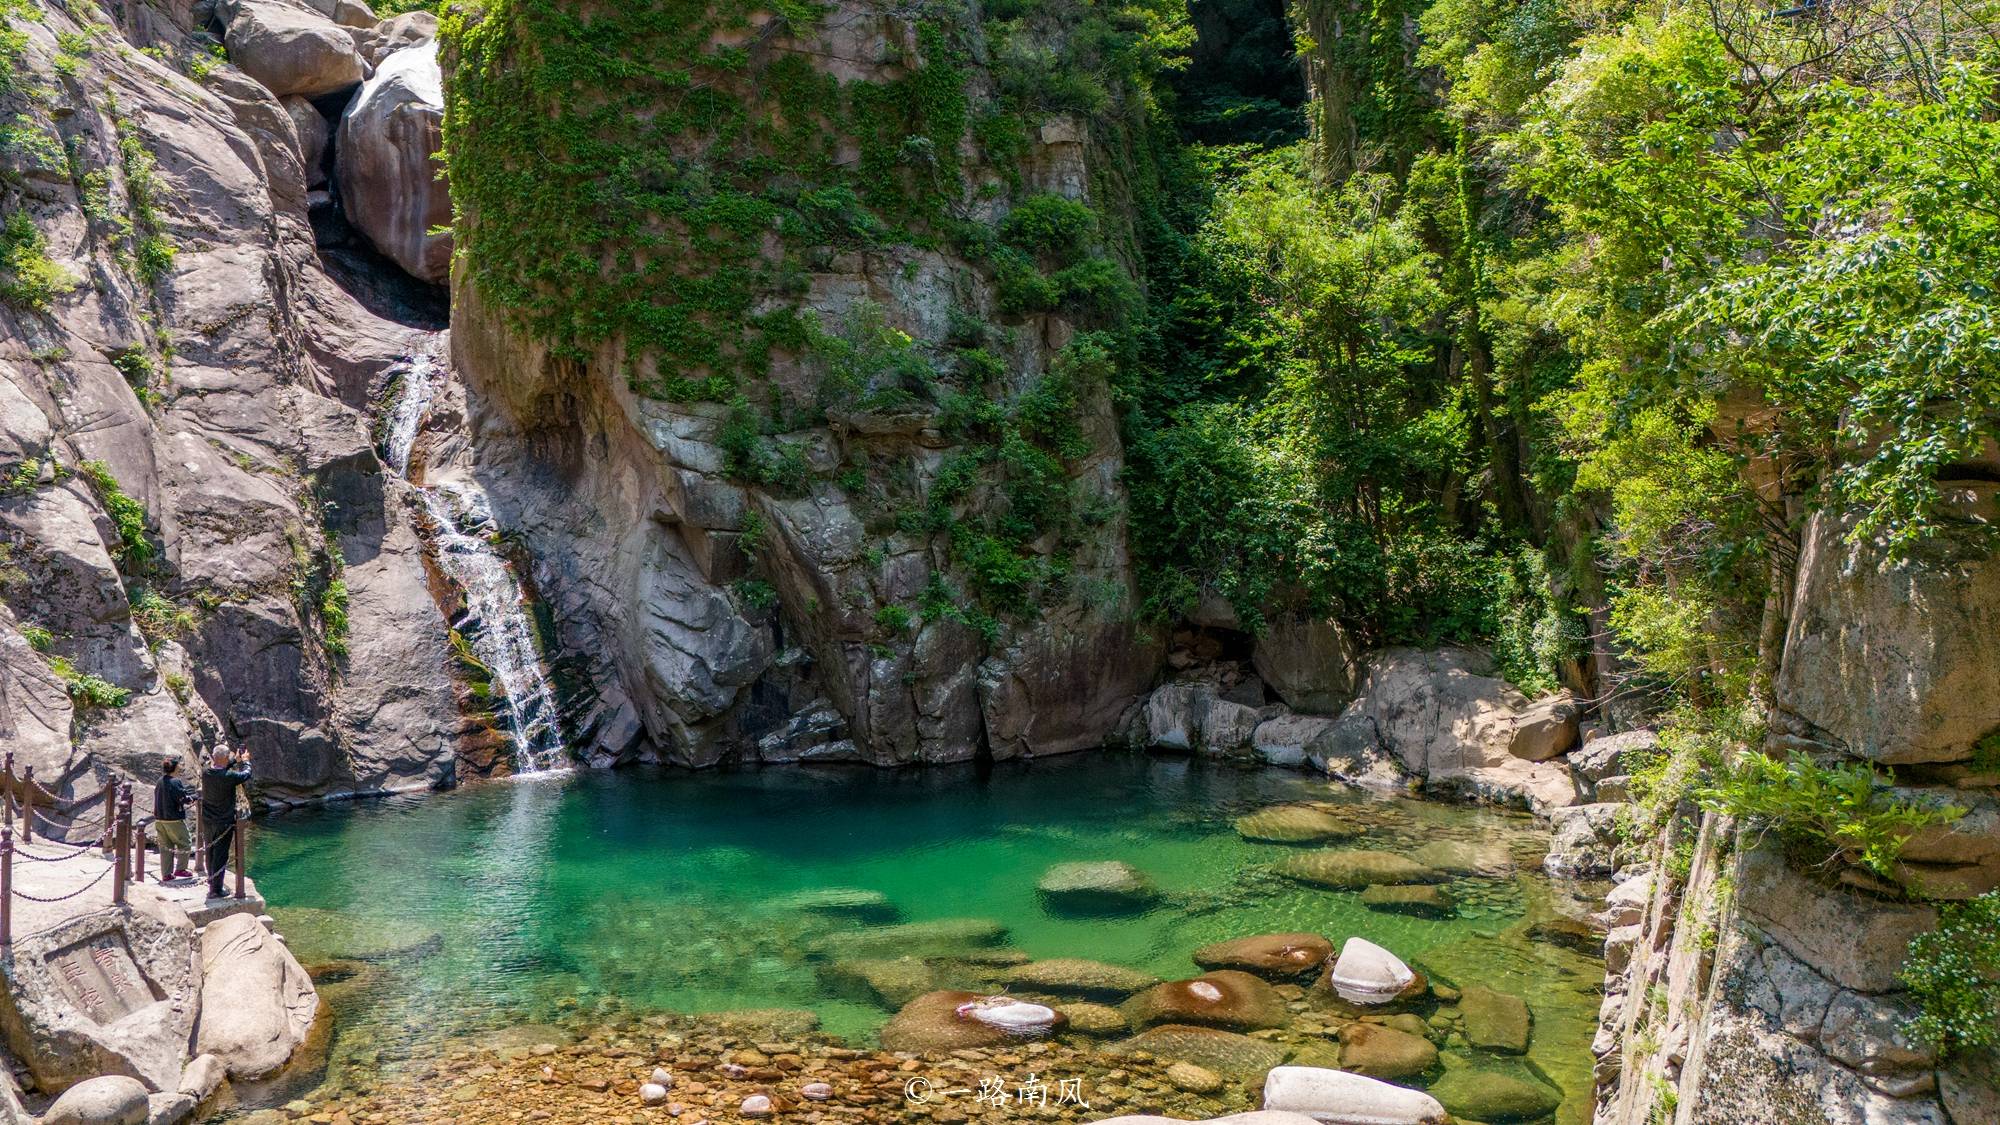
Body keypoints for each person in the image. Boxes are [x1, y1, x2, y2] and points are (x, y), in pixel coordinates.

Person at [201, 746, 252, 899]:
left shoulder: (206, 772)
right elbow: (245, 775)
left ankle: (212, 883)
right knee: (220, 855)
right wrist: (246, 762)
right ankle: (216, 890)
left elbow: (220, 769)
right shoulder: (228, 776)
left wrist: (233, 761)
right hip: (223, 821)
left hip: (208, 820)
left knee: (210, 852)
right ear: (223, 758)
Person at [152, 758, 195, 880]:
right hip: (173, 819)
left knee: (165, 846)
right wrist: (194, 797)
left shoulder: (160, 781)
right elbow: (182, 798)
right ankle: (180, 869)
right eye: (179, 766)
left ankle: (166, 874)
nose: (180, 768)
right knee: (185, 843)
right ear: (175, 768)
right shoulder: (175, 781)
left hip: (160, 819)